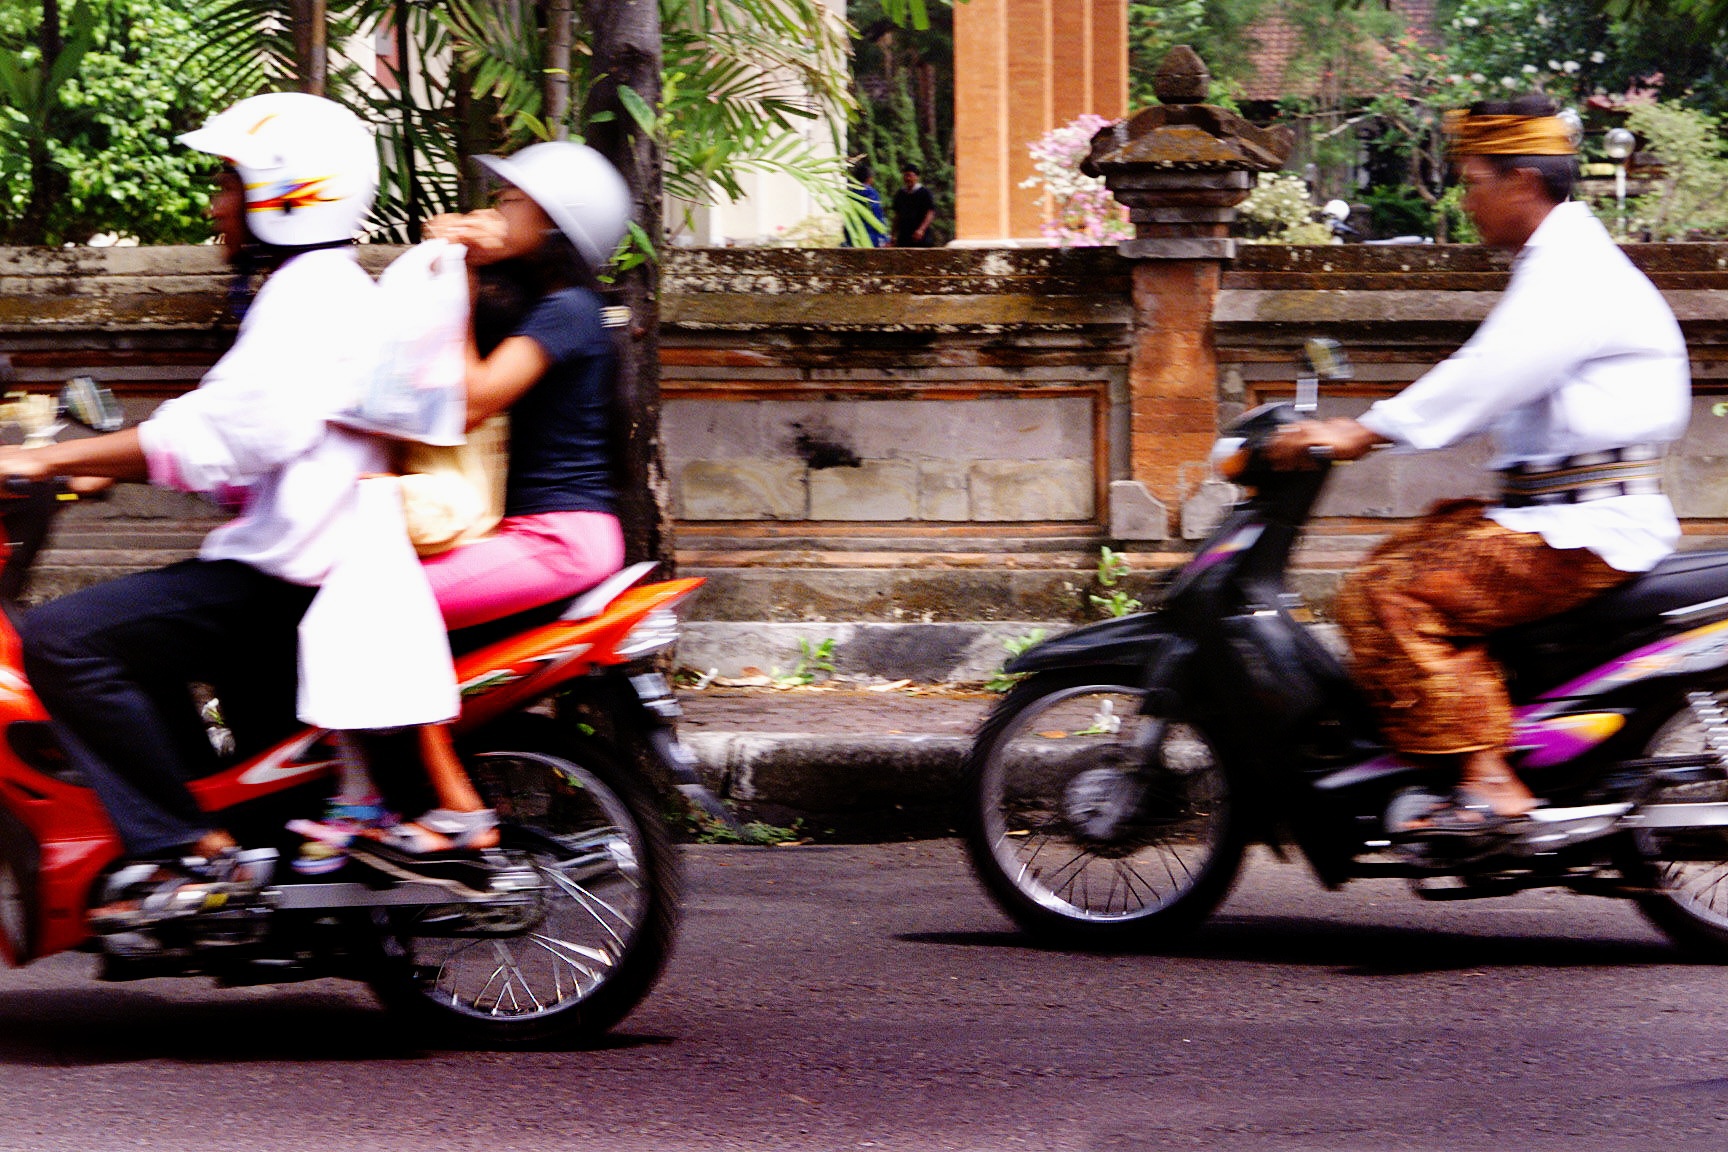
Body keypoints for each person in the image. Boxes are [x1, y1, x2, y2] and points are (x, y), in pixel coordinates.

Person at [0, 93, 388, 918]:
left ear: (288, 197)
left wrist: (53, 455)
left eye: (228, 186)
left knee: (64, 640)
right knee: (133, 642)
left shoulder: (313, 295)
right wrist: (115, 467)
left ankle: (184, 848)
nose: (216, 207)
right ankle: (222, 831)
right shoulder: (314, 289)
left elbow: (233, 432)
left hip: (288, 573)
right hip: (296, 555)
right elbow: (251, 448)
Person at [1267, 94, 1690, 835]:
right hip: (1560, 514)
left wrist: (1365, 430)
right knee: (1382, 570)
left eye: (1473, 182)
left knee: (1395, 598)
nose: (1466, 202)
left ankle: (1488, 781)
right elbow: (1497, 382)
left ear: (1521, 180)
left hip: (1583, 527)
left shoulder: (1572, 271)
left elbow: (1486, 373)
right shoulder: (1563, 261)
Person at [330, 141, 634, 869]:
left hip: (559, 538)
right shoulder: (551, 307)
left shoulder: (568, 311)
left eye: (513, 200)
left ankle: (446, 806)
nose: (497, 205)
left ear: (557, 225)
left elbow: (470, 402)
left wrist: (458, 282)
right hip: (552, 534)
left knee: (369, 605)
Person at [841, 162, 887, 248]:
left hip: (853, 235)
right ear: (869, 178)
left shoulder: (851, 193)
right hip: (869, 235)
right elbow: (877, 214)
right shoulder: (870, 192)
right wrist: (883, 236)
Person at [890, 164, 937, 248]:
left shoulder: (924, 193)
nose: (908, 178)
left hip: (921, 237)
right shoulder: (900, 194)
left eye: (910, 176)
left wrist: (921, 230)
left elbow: (930, 212)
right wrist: (893, 234)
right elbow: (897, 215)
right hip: (904, 236)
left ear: (916, 177)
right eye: (905, 175)